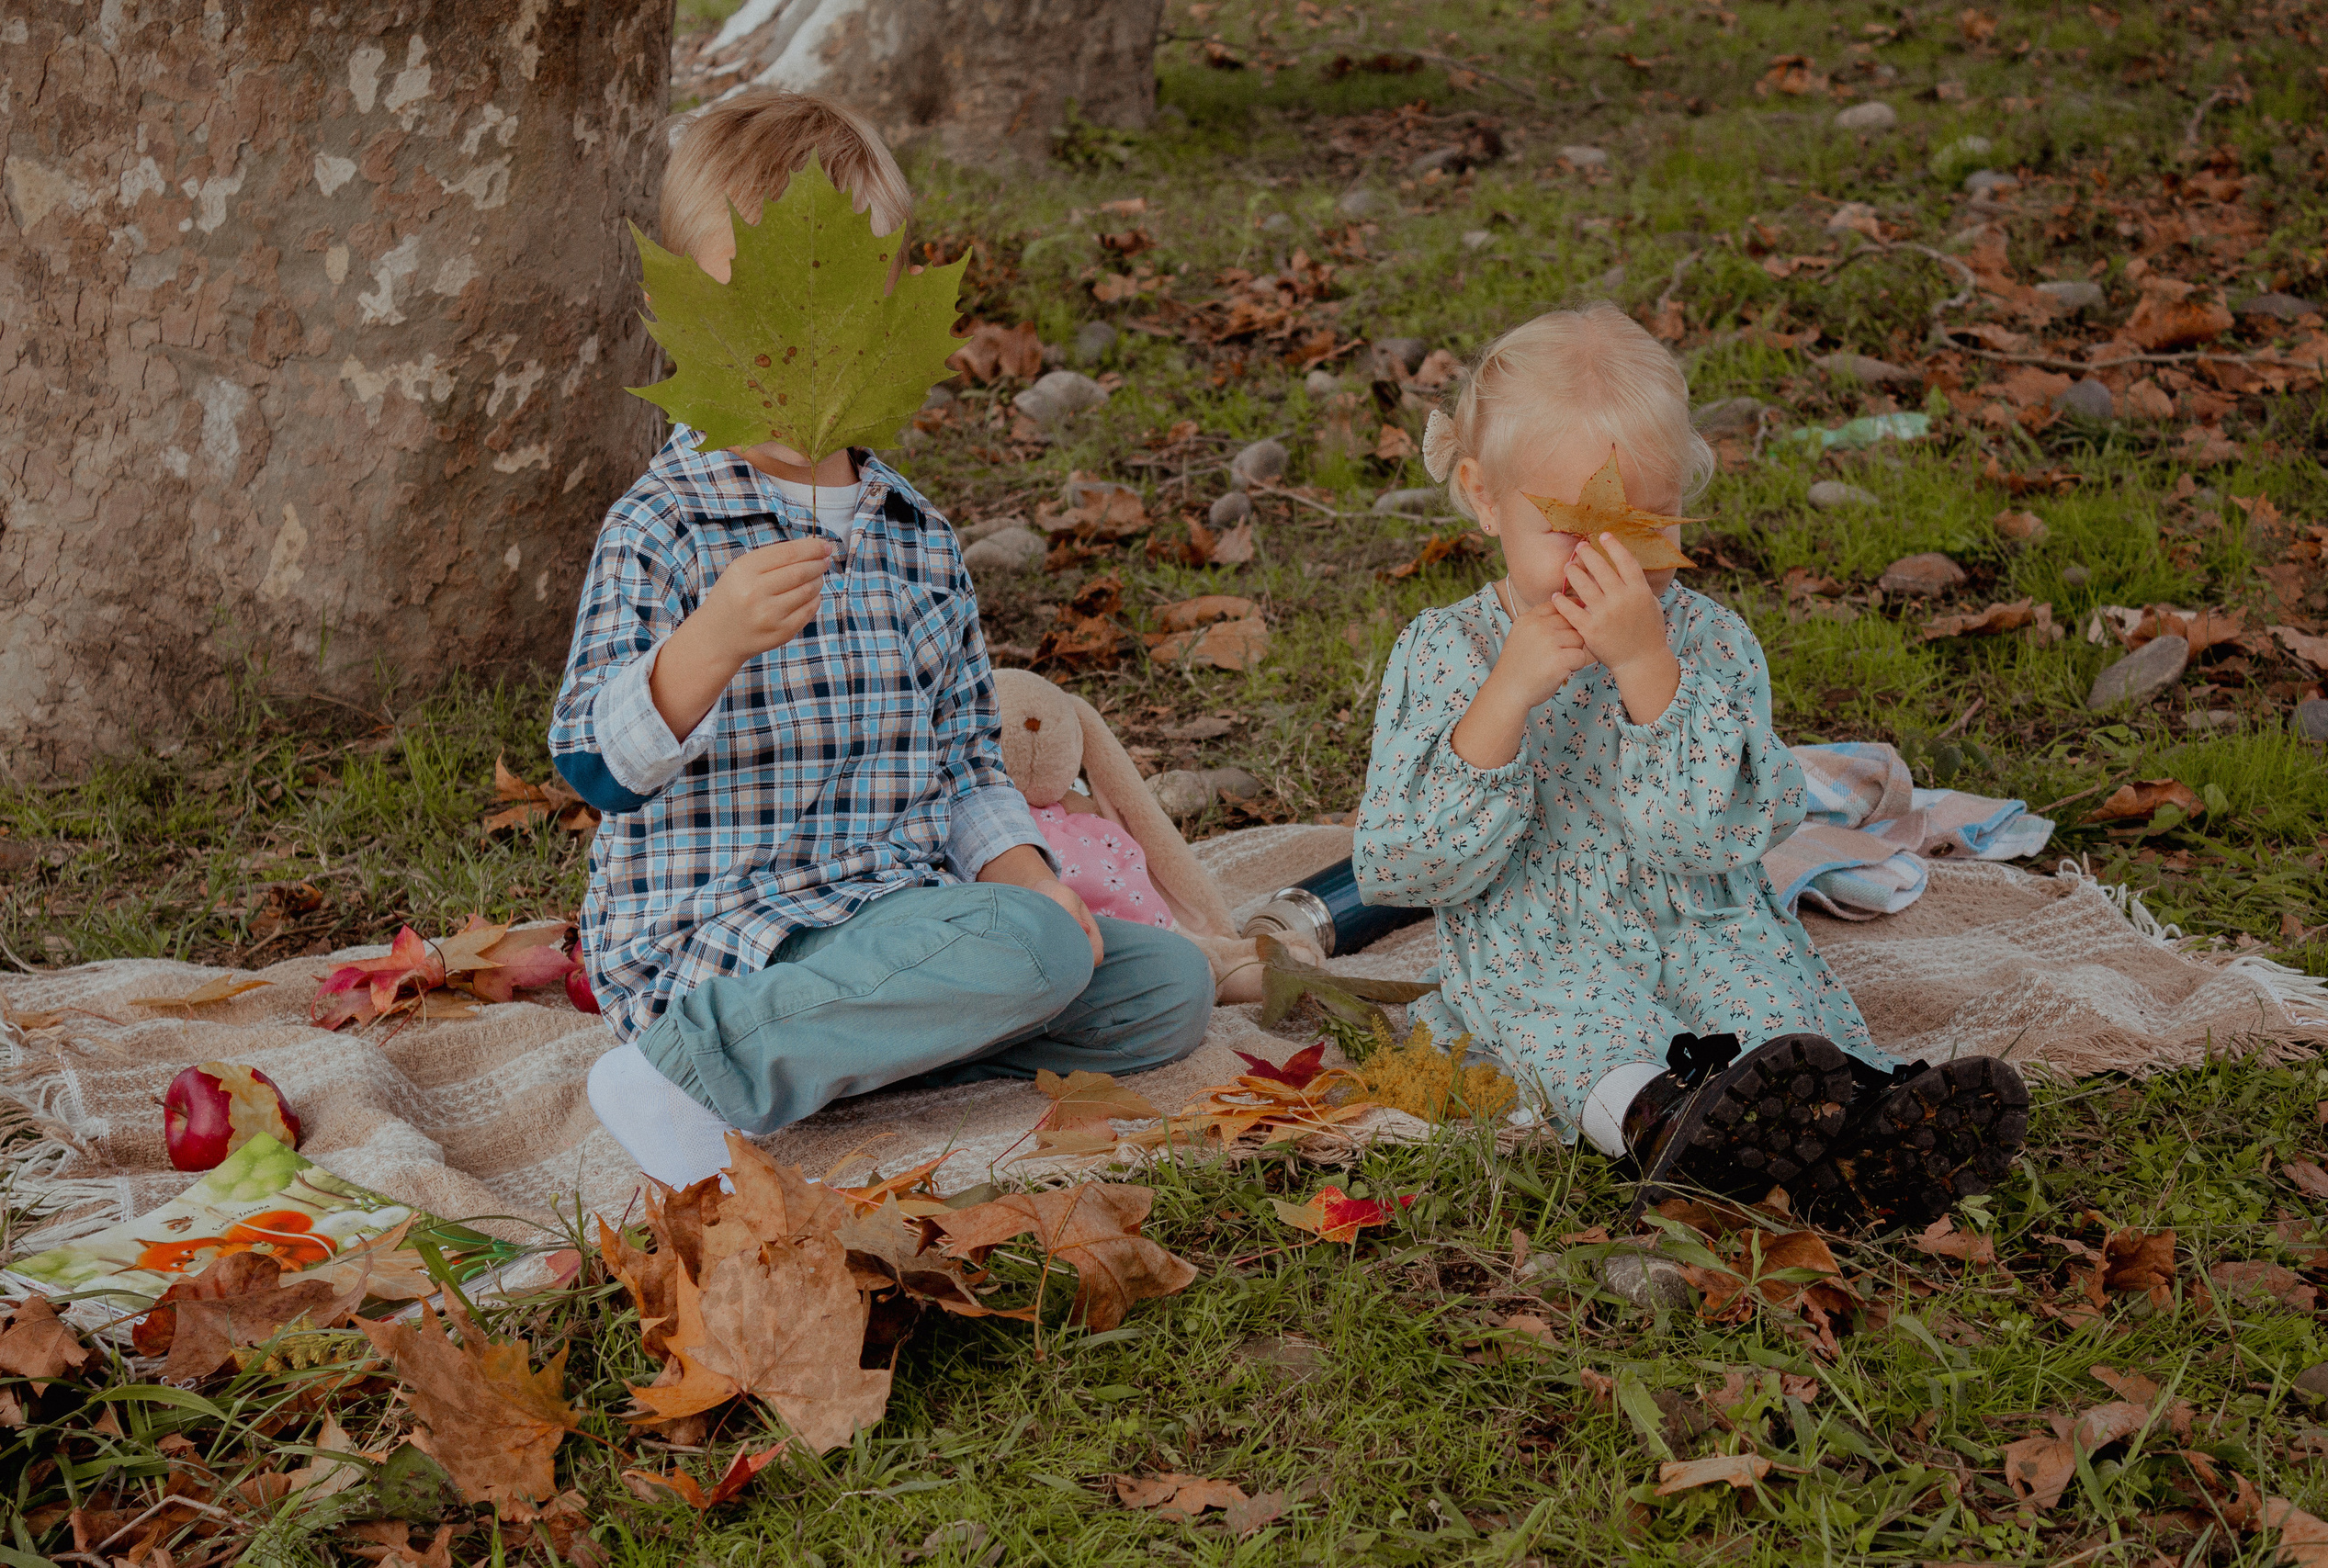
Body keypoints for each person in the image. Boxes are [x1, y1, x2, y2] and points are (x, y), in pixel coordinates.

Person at [550, 93, 1214, 1188]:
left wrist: (1029, 876)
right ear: (689, 316)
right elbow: (592, 768)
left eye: (838, 304)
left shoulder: (915, 535)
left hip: (897, 916)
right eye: (749, 308)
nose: (796, 340)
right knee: (1028, 949)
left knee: (1163, 987)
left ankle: (863, 1053)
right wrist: (709, 641)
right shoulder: (664, 523)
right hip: (732, 941)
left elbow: (964, 760)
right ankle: (687, 1073)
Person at [1351, 303, 2026, 1227]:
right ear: (1481, 493)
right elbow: (1404, 866)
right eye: (1569, 528)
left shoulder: (1707, 644)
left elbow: (1710, 838)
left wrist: (1648, 673)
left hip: (1697, 913)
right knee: (1575, 1025)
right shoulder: (1446, 652)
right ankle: (1659, 1117)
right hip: (1538, 939)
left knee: (1768, 999)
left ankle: (1869, 1121)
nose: (1609, 566)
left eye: (1644, 525)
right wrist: (1503, 698)